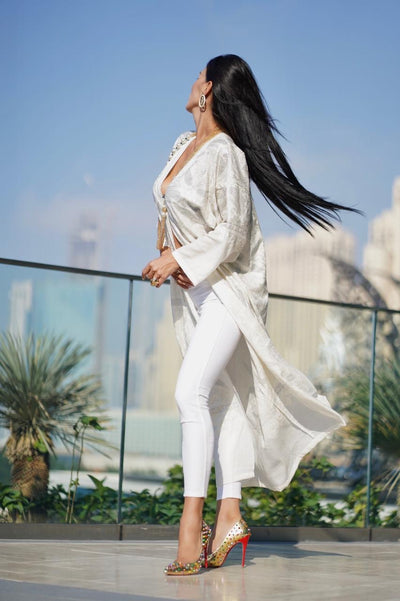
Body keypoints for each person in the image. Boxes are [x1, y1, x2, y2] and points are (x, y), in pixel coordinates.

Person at [142, 54, 360, 575]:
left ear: (209, 89)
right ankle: (231, 516)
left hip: (228, 291)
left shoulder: (228, 154)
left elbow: (234, 232)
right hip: (192, 292)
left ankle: (191, 525)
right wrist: (169, 252)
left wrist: (180, 258)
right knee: (223, 400)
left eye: (198, 75)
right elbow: (169, 207)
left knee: (189, 393)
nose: (191, 80)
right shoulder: (182, 144)